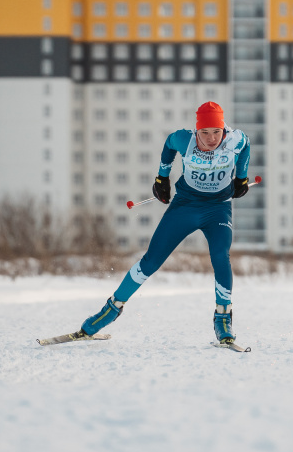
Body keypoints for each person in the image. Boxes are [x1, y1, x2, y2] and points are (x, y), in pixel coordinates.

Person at [75, 101, 251, 344]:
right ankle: (111, 309)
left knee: (220, 256)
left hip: (218, 209)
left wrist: (241, 177)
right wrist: (162, 177)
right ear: (196, 130)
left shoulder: (236, 139)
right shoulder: (183, 139)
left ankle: (223, 317)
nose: (211, 139)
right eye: (205, 133)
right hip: (186, 205)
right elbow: (168, 145)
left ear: (224, 129)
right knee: (152, 260)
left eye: (216, 132)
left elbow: (246, 147)